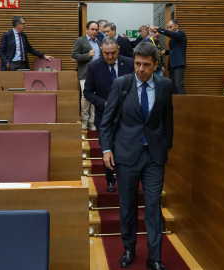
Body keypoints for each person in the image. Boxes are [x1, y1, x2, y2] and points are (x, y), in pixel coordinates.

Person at [99, 42, 173, 270]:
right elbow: (107, 121)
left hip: (153, 157)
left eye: (146, 65)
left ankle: (155, 257)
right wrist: (106, 150)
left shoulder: (165, 85)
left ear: (155, 65)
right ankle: (129, 249)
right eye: (138, 64)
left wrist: (165, 147)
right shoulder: (122, 84)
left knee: (153, 207)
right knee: (128, 206)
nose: (140, 69)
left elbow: (168, 119)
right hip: (126, 156)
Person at [83, 36, 134, 193]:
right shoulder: (94, 67)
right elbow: (87, 92)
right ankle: (110, 179)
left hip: (128, 117)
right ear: (101, 52)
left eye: (113, 53)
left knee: (128, 149)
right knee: (107, 148)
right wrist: (104, 103)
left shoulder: (130, 63)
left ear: (118, 49)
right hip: (104, 116)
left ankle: (130, 181)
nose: (110, 56)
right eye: (106, 53)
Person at [72, 21, 101, 130]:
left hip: (98, 74)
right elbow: (74, 56)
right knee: (85, 96)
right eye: (92, 29)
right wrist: (87, 55)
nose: (95, 32)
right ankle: (84, 120)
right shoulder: (80, 41)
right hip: (85, 74)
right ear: (87, 30)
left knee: (95, 97)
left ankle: (92, 121)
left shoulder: (99, 42)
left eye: (96, 30)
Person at [151, 20, 187, 94]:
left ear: (176, 26)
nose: (169, 29)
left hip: (179, 64)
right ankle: (174, 103)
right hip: (172, 64)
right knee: (172, 85)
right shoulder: (173, 38)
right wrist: (166, 51)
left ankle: (184, 104)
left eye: (171, 27)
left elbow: (172, 35)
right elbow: (174, 50)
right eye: (168, 28)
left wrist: (159, 29)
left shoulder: (181, 33)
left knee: (178, 84)